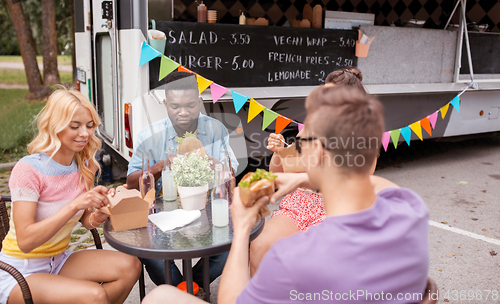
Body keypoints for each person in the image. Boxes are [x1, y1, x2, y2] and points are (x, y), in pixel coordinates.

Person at [141, 85, 430, 304]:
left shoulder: (294, 258)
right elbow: (376, 183)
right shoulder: (409, 210)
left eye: (303, 142)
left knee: (160, 297)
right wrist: (304, 177)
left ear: (317, 152)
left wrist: (242, 229)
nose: (300, 147)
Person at [0, 88, 141, 304]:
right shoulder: (28, 170)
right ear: (54, 125)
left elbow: (87, 220)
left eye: (89, 125)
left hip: (58, 261)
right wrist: (74, 205)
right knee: (94, 296)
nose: (84, 133)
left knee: (131, 266)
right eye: (75, 126)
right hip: (20, 271)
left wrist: (100, 212)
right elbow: (26, 241)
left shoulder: (84, 166)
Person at [249, 67, 367, 275]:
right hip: (300, 203)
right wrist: (279, 152)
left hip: (335, 210)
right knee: (259, 246)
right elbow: (280, 173)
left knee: (312, 262)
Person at [126, 71, 238, 287]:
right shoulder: (149, 135)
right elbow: (131, 181)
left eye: (190, 105)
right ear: (166, 103)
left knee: (229, 248)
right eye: (175, 107)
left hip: (208, 210)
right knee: (152, 255)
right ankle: (184, 293)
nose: (183, 113)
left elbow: (231, 172)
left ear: (199, 101)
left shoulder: (216, 130)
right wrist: (160, 166)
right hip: (161, 213)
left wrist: (216, 164)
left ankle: (186, 291)